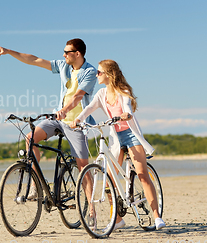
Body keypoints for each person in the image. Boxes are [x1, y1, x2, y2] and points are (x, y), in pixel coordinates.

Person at [0, 38, 97, 198]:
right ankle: (36, 185)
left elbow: (78, 96)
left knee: (83, 168)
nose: (63, 55)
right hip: (57, 118)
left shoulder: (90, 71)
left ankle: (91, 211)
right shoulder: (63, 67)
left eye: (66, 52)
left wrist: (65, 110)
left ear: (77, 54)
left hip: (77, 124)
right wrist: (9, 51)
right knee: (30, 139)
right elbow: (34, 60)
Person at [70, 59, 166, 230]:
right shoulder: (101, 94)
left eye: (99, 72)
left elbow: (127, 107)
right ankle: (118, 219)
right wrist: (78, 119)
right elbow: (89, 109)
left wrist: (127, 115)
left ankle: (157, 217)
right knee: (109, 181)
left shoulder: (123, 91)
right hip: (115, 136)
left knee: (142, 174)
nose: (96, 75)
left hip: (131, 135)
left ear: (109, 74)